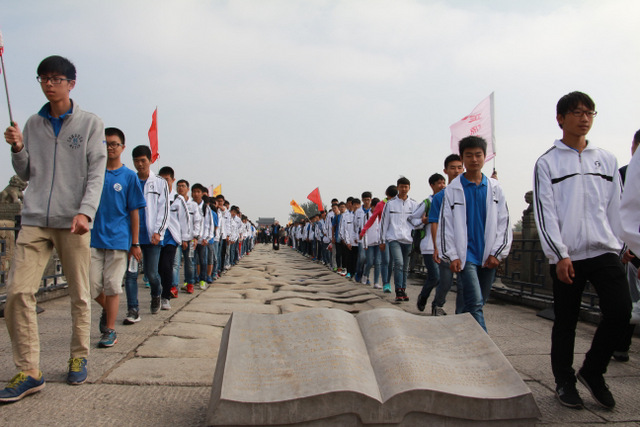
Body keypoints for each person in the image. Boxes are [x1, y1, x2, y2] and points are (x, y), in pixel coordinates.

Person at [0, 55, 107, 402]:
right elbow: (26, 172)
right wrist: (18, 147)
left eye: (56, 79)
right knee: (18, 292)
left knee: (79, 293)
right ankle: (29, 370)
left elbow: (96, 174)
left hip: (72, 221)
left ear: (71, 84)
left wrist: (86, 212)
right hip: (34, 219)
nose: (49, 84)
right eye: (43, 78)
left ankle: (78, 355)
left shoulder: (89, 124)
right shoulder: (33, 123)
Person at [533, 91, 631, 410]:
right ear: (561, 119)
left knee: (621, 311)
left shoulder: (606, 159)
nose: (584, 118)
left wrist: (624, 245)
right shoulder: (547, 162)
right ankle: (564, 380)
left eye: (589, 112)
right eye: (577, 112)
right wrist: (558, 254)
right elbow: (545, 212)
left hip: (604, 250)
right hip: (568, 254)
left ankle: (593, 371)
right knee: (566, 321)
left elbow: (617, 206)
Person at [439, 136, 512, 331]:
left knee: (477, 301)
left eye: (478, 155)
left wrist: (497, 252)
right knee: (476, 302)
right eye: (469, 155)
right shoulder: (453, 190)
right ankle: (485, 345)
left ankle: (461, 332)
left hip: (488, 253)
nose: (474, 159)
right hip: (466, 255)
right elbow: (446, 225)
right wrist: (452, 255)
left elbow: (504, 222)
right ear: (462, 158)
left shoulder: (495, 188)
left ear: (484, 157)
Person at [91, 127, 145, 348]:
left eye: (114, 144)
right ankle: (108, 309)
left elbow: (134, 212)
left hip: (118, 239)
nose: (110, 148)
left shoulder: (129, 177)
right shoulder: (94, 172)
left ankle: (110, 330)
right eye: (105, 143)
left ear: (122, 147)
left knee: (113, 285)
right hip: (93, 238)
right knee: (91, 285)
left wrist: (135, 243)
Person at [123, 145, 169, 322]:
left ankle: (156, 293)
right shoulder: (130, 180)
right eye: (136, 161)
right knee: (131, 274)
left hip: (152, 237)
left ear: (150, 160)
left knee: (151, 274)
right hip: (133, 237)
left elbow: (164, 209)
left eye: (143, 160)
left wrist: (158, 231)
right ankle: (133, 309)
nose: (140, 164)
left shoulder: (160, 182)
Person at [427, 155, 464, 315]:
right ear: (446, 170)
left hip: (465, 244)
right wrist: (436, 247)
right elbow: (434, 222)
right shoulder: (440, 196)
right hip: (447, 244)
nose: (456, 171)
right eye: (453, 168)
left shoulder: (466, 193)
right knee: (446, 281)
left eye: (459, 167)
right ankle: (438, 304)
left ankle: (461, 313)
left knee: (463, 283)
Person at [410, 173, 445, 314]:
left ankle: (437, 305)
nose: (442, 186)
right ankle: (423, 296)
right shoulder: (427, 203)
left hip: (445, 246)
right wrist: (422, 221)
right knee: (435, 276)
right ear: (432, 185)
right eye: (439, 183)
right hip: (429, 245)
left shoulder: (448, 200)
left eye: (443, 182)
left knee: (444, 279)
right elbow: (412, 219)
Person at [380, 177, 418, 302]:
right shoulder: (390, 204)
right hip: (394, 238)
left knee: (405, 266)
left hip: (408, 239)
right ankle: (398, 289)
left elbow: (416, 222)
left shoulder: (414, 204)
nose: (404, 189)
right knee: (399, 263)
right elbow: (384, 223)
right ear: (397, 188)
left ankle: (403, 289)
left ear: (409, 188)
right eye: (401, 186)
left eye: (406, 187)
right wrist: (382, 240)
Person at [158, 167, 189, 310]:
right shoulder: (156, 196)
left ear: (172, 180)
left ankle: (166, 296)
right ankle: (157, 292)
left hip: (171, 237)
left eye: (167, 180)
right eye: (161, 179)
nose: (164, 182)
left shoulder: (178, 199)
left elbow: (184, 220)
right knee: (156, 268)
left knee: (167, 265)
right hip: (157, 236)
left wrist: (185, 238)